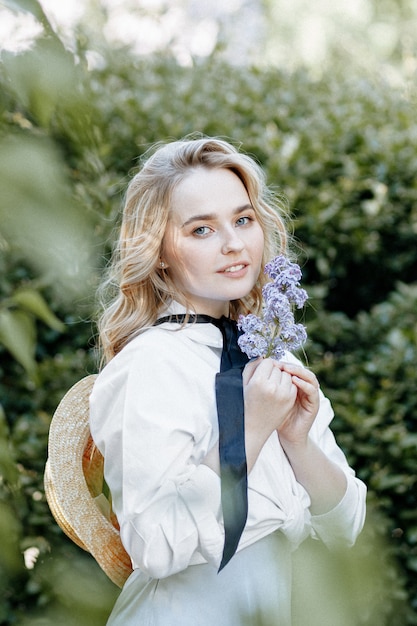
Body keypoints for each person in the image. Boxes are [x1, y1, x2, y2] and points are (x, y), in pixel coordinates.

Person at [89, 136, 366, 625]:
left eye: (243, 220)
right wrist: (249, 430)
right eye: (201, 230)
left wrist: (297, 441)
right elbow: (156, 546)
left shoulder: (268, 351)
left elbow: (346, 526)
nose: (234, 243)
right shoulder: (150, 366)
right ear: (159, 252)